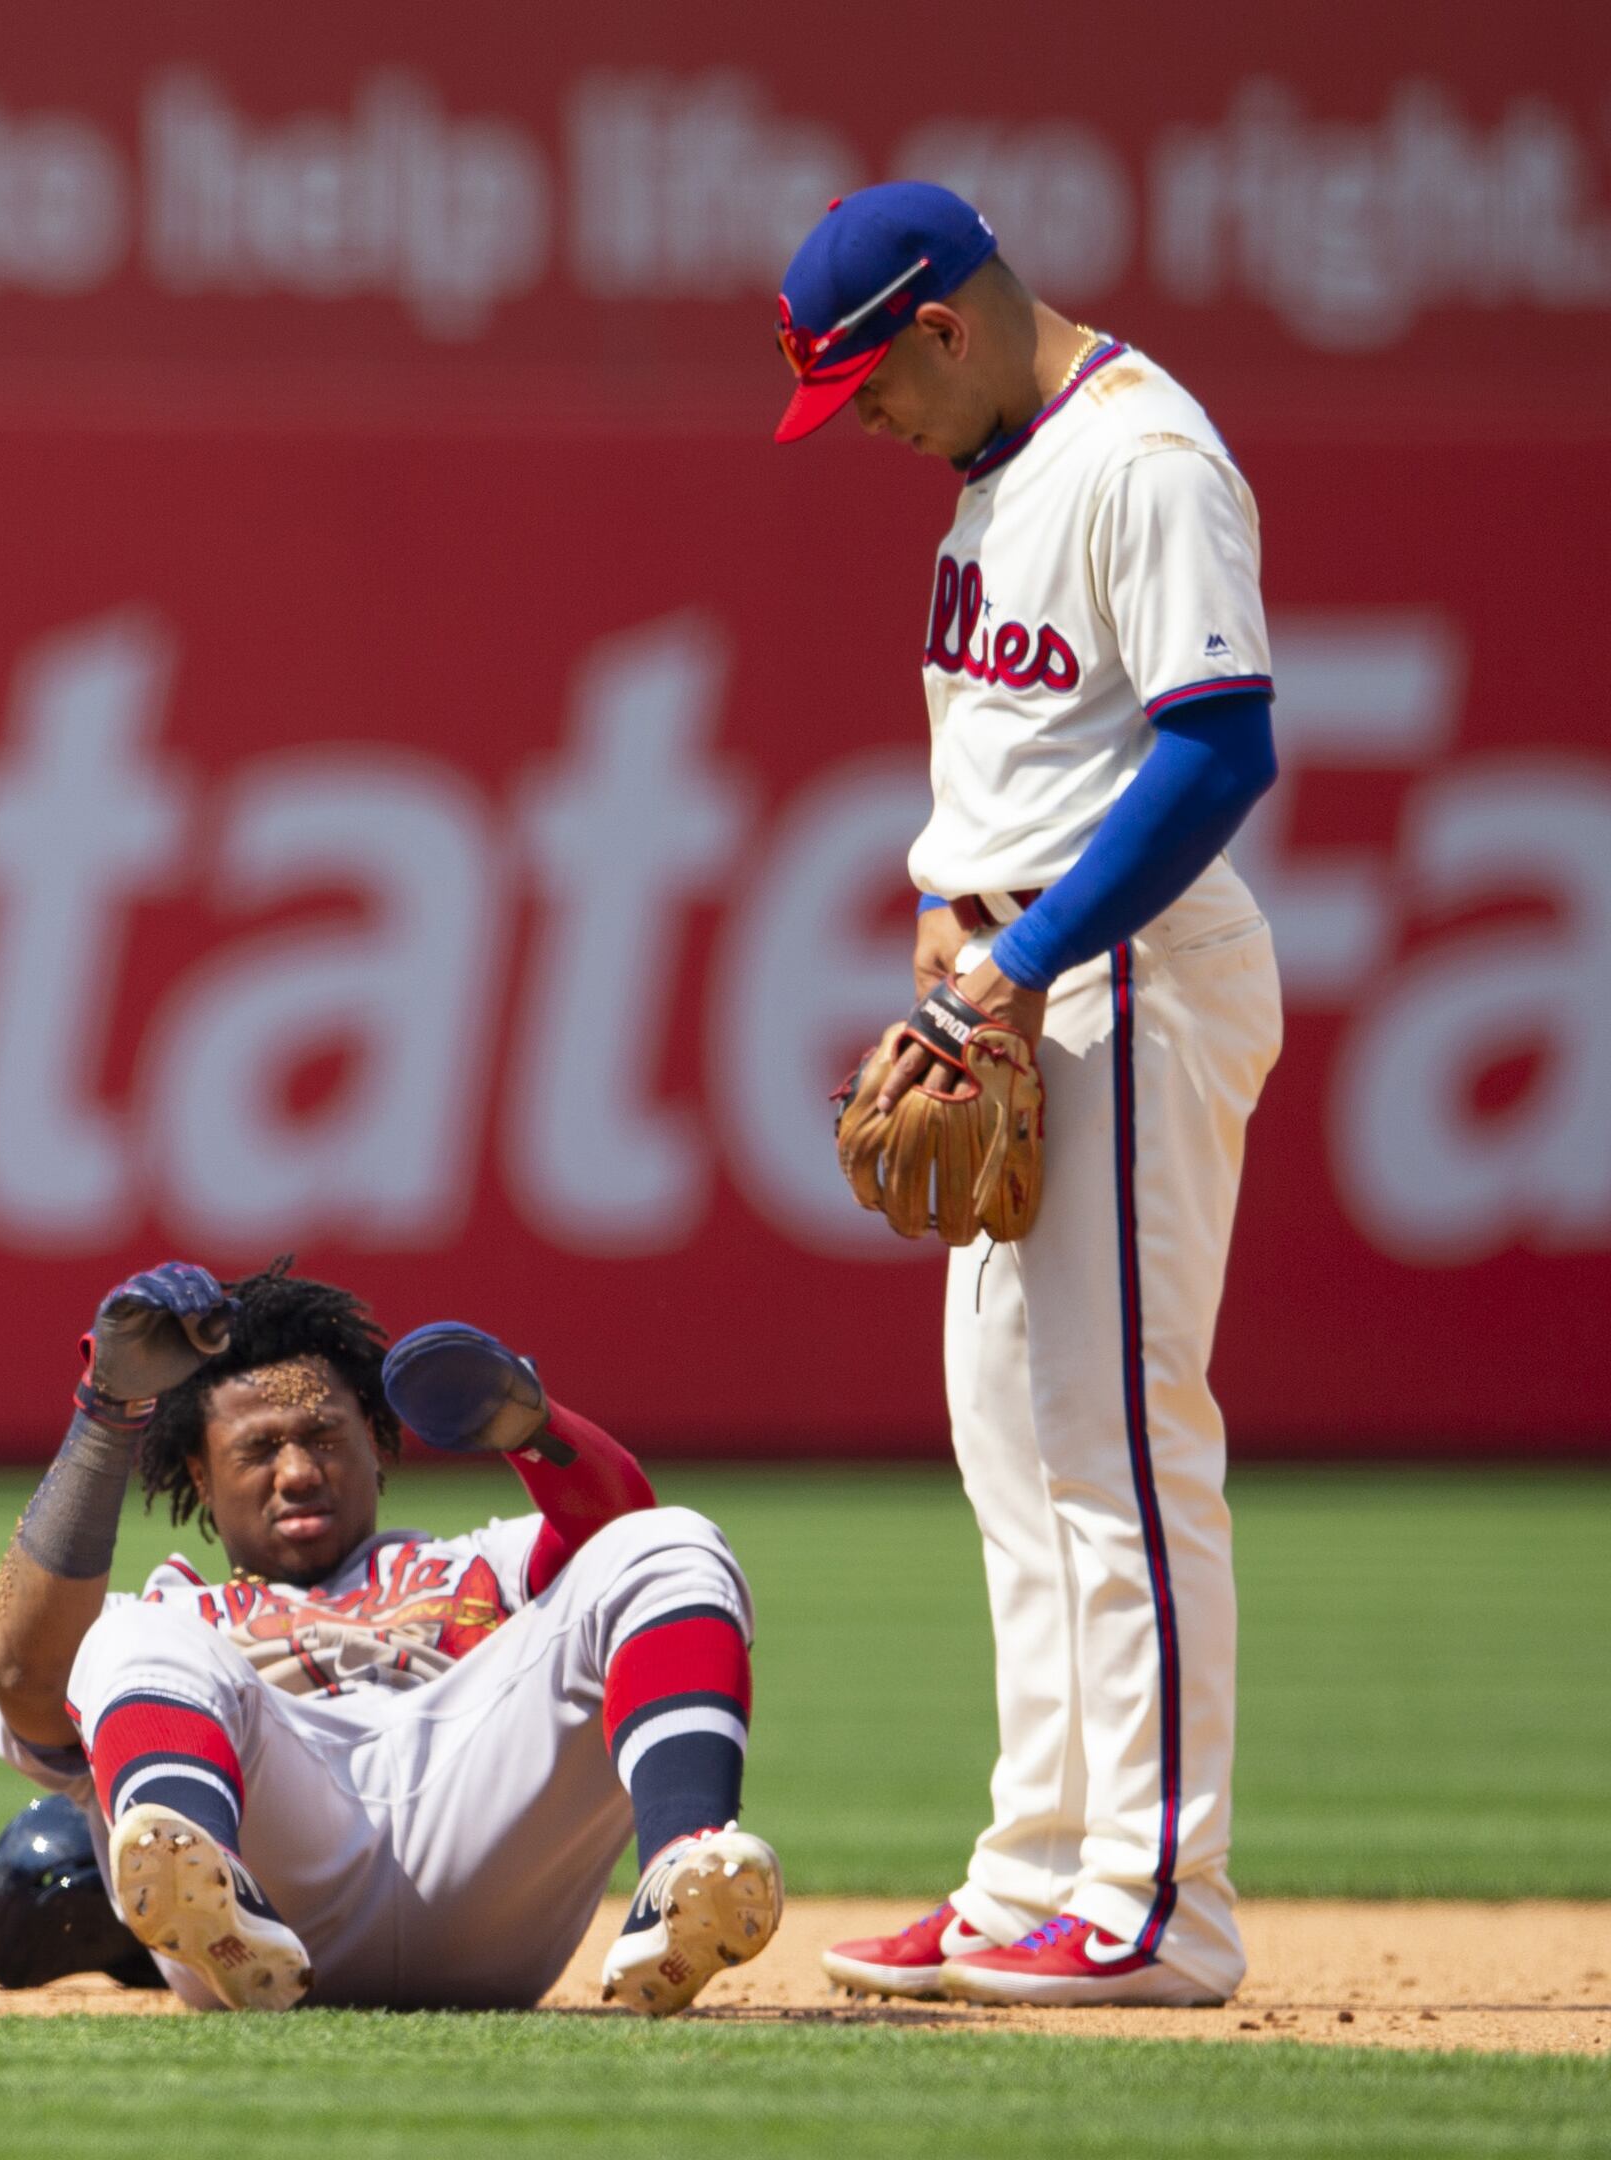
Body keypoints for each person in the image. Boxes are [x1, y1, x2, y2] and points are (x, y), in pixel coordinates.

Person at [774, 183, 1282, 2009]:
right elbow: (1012, 746)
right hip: (1016, 979)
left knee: (1122, 1451)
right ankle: (1030, 1877)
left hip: (1119, 974)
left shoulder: (1146, 457)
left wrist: (1025, 950)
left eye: (871, 394)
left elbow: (1223, 747)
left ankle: (1160, 1904)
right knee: (1015, 1447)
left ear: (944, 330)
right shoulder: (994, 472)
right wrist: (942, 913)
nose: (868, 433)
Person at [0, 1260, 780, 2015]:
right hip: (277, 1872)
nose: (297, 1472)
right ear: (200, 1477)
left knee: (670, 1538)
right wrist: (107, 1413)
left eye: (325, 1438)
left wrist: (536, 1425)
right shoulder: (176, 1615)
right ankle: (209, 1884)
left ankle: (688, 1866)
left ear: (376, 1445)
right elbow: (23, 1676)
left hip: (486, 1854)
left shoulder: (482, 1564)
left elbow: (621, 1538)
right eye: (258, 1449)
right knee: (127, 1633)